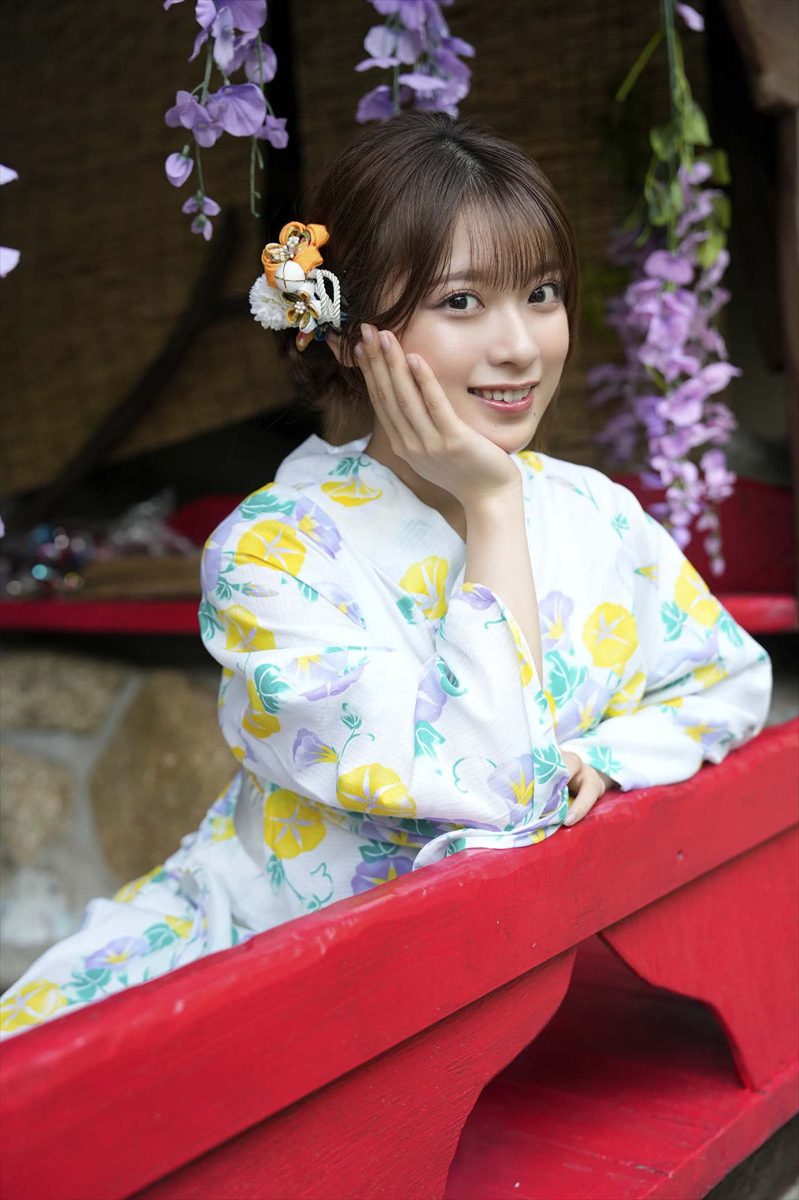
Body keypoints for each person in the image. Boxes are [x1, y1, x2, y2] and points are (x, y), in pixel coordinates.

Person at [0, 113, 771, 1039]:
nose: (520, 345)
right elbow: (496, 789)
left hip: (464, 991)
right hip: (266, 973)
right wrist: (491, 509)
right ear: (344, 336)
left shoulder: (591, 510)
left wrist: (605, 756)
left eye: (540, 292)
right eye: (460, 301)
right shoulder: (269, 555)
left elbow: (725, 681)